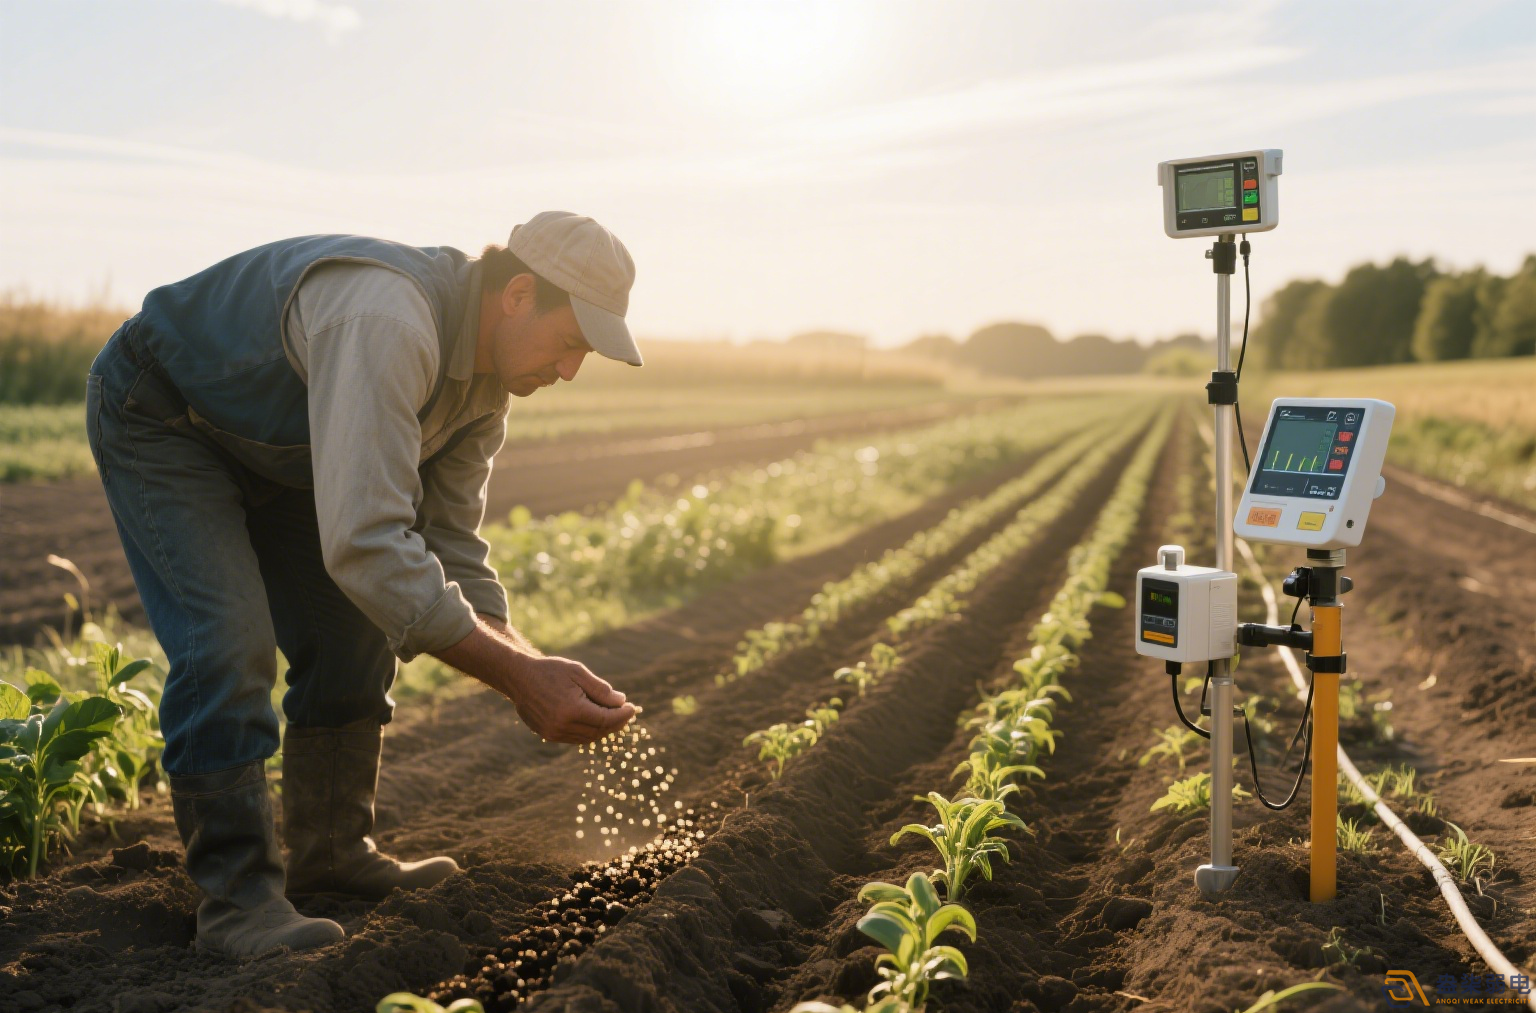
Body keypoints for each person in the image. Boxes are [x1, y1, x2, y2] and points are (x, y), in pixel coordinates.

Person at [85, 211, 641, 957]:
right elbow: (368, 544)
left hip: (282, 451)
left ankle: (332, 851)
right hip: (168, 416)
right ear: (516, 296)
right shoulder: (389, 319)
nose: (570, 369)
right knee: (229, 640)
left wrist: (532, 660)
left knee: (354, 628)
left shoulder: (486, 390)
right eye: (570, 341)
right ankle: (237, 903)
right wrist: (516, 677)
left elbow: (447, 544)